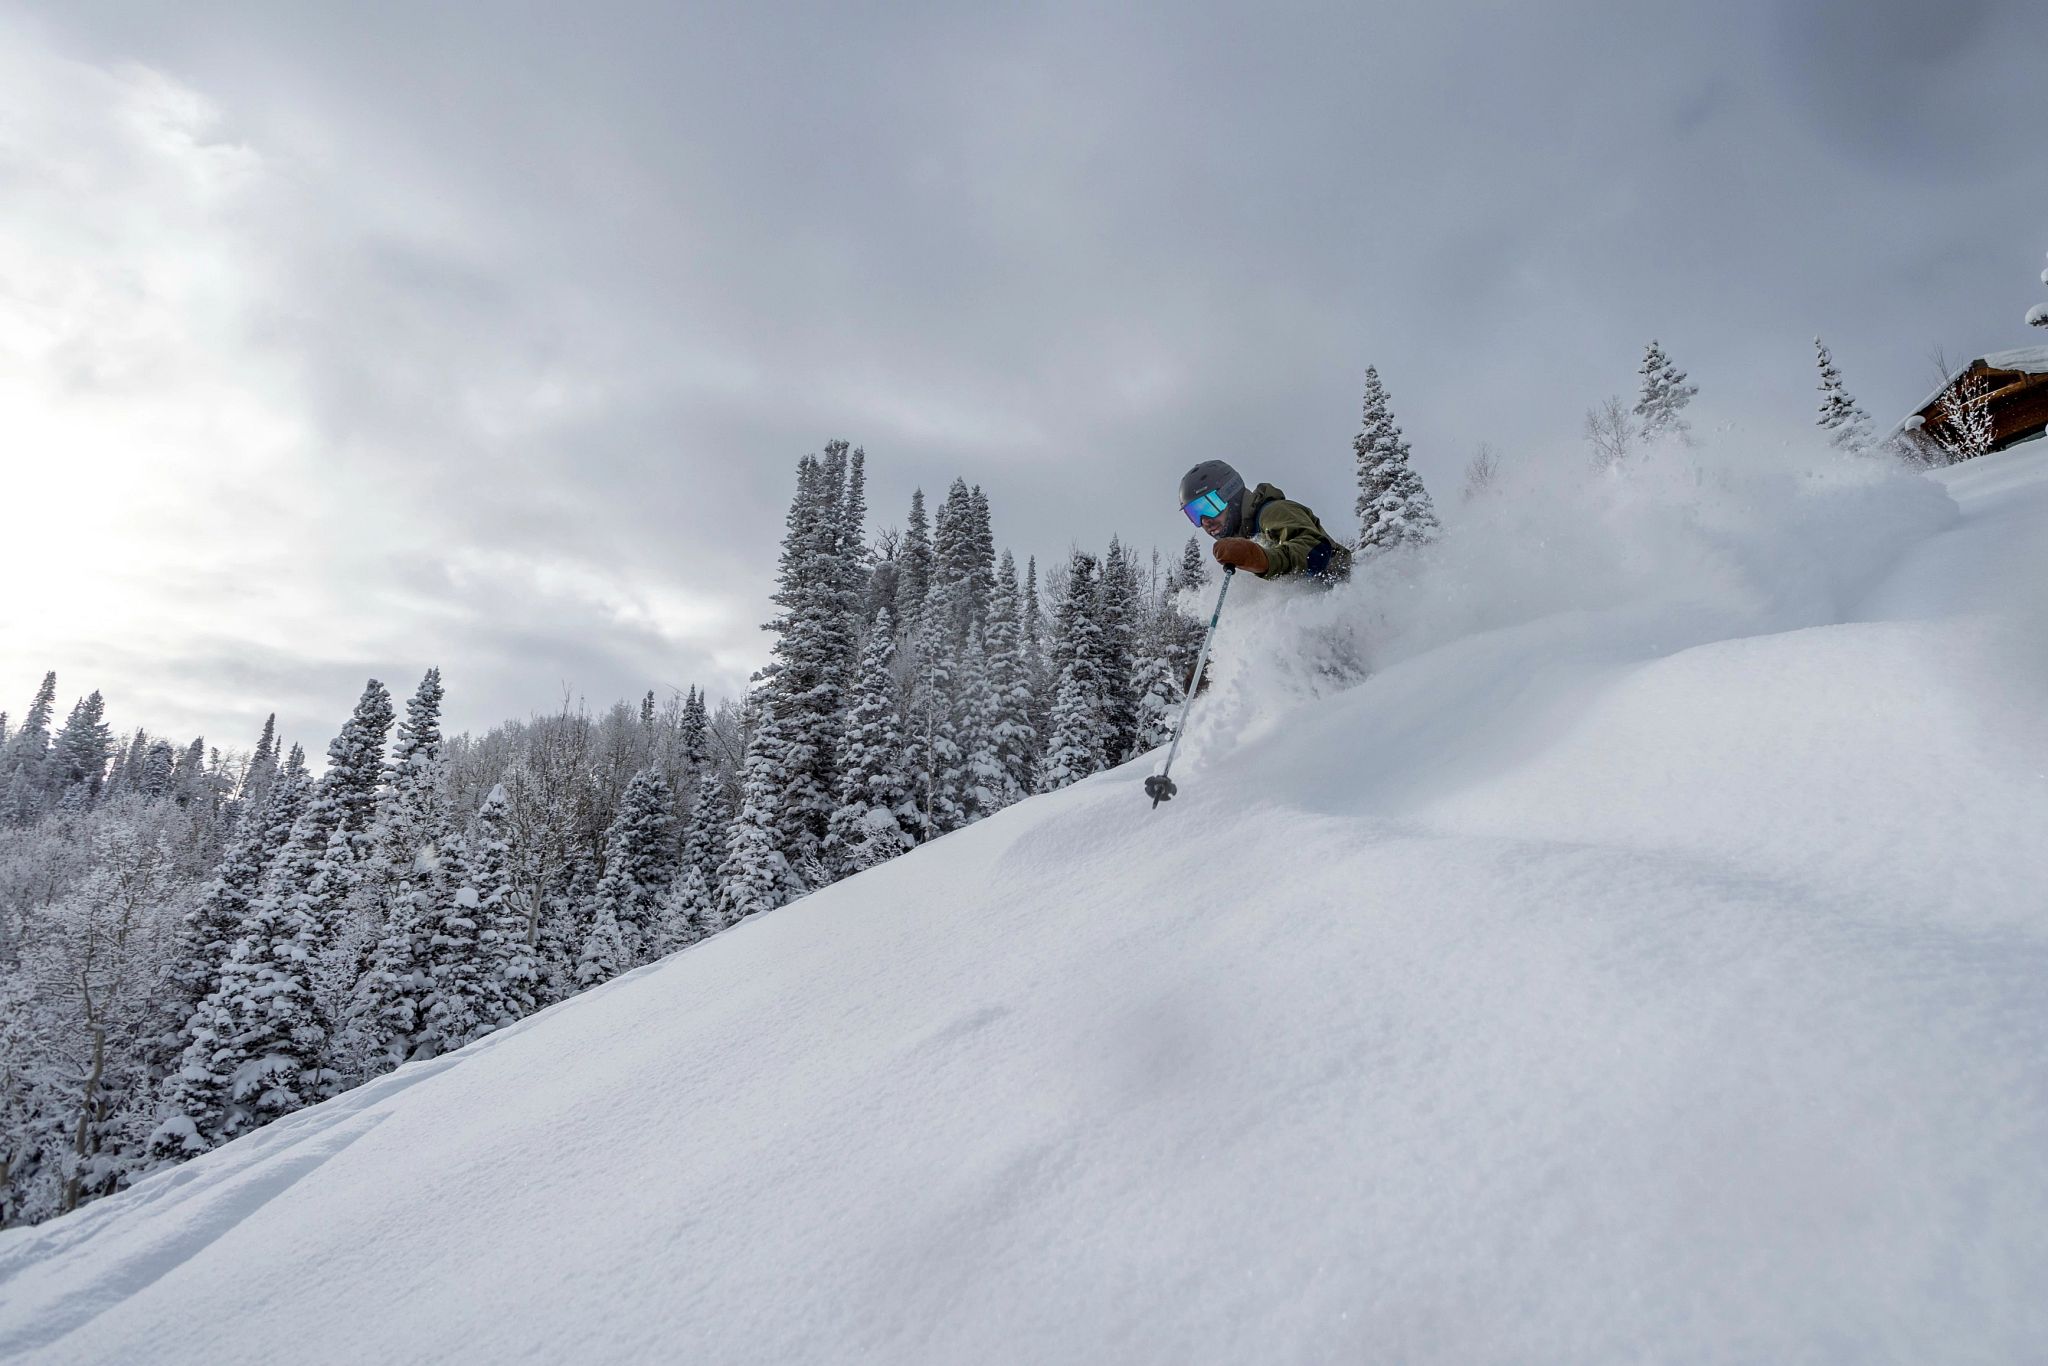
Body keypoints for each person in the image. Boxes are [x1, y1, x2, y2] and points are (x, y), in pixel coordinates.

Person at [1178, 460, 1352, 583]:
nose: (1205, 520)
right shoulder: (1243, 542)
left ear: (1231, 492)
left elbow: (1316, 551)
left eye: (1209, 506)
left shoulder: (1273, 512)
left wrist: (1262, 560)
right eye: (1194, 514)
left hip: (1342, 605)